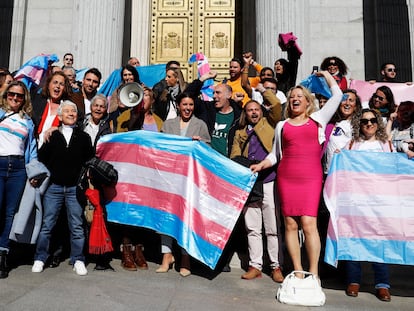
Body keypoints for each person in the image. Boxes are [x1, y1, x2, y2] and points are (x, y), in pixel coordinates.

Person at [251, 71, 343, 278]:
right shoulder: (282, 126)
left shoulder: (318, 119)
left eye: (300, 97)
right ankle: (298, 270)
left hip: (310, 178)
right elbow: (275, 155)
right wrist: (261, 165)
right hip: (286, 178)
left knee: (309, 224)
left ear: (308, 102)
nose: (295, 99)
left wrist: (326, 75)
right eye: (292, 97)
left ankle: (313, 272)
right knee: (290, 224)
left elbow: (337, 95)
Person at [32, 100, 94, 276]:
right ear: (60, 116)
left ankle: (78, 259)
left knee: (76, 225)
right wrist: (45, 136)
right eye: (66, 111)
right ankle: (40, 257)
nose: (70, 114)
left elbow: (89, 160)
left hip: (75, 188)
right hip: (54, 187)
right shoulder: (51, 135)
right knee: (47, 224)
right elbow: (41, 159)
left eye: (73, 111)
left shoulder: (83, 137)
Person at [230, 95, 284, 282]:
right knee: (252, 227)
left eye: (256, 109)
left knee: (271, 226)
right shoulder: (239, 132)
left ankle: (276, 266)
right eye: (249, 110)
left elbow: (277, 106)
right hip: (250, 182)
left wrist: (262, 89)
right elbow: (235, 156)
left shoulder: (270, 124)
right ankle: (255, 265)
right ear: (245, 113)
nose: (253, 112)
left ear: (261, 111)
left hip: (269, 179)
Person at [344, 108, 394, 302]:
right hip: (356, 201)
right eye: (364, 121)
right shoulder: (353, 144)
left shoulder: (385, 144)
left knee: (379, 241)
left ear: (378, 123)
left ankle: (382, 284)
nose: (369, 124)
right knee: (353, 239)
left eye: (373, 120)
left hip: (379, 202)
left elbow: (393, 170)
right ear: (359, 124)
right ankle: (354, 280)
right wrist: (341, 156)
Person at [158, 92, 211, 277]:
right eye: (184, 104)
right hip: (170, 178)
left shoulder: (200, 125)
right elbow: (161, 148)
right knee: (166, 217)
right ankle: (166, 255)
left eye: (191, 105)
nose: (188, 108)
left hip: (190, 180)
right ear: (178, 106)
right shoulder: (168, 124)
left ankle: (185, 257)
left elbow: (208, 151)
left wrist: (201, 144)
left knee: (187, 218)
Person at [0, 81, 37, 278]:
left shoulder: (28, 121)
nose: (15, 98)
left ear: (25, 99)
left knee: (9, 213)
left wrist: (34, 173)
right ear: (6, 95)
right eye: (11, 94)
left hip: (18, 169)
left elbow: (32, 149)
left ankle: (2, 254)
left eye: (19, 96)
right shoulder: (0, 113)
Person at [31, 71, 84, 148]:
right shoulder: (37, 101)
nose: (58, 86)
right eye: (55, 82)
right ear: (49, 85)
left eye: (61, 84)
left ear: (65, 88)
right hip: (34, 151)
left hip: (55, 152)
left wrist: (59, 129)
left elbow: (79, 125)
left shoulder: (69, 107)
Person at [324, 89, 362, 174]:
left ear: (356, 106)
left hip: (348, 172)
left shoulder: (360, 126)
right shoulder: (330, 124)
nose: (347, 103)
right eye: (344, 100)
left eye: (351, 100)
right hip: (329, 172)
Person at [108, 64, 141, 131]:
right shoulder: (117, 90)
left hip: (138, 122)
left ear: (134, 75)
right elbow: (112, 109)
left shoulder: (142, 88)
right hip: (121, 122)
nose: (127, 77)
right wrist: (119, 106)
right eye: (125, 75)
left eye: (130, 74)